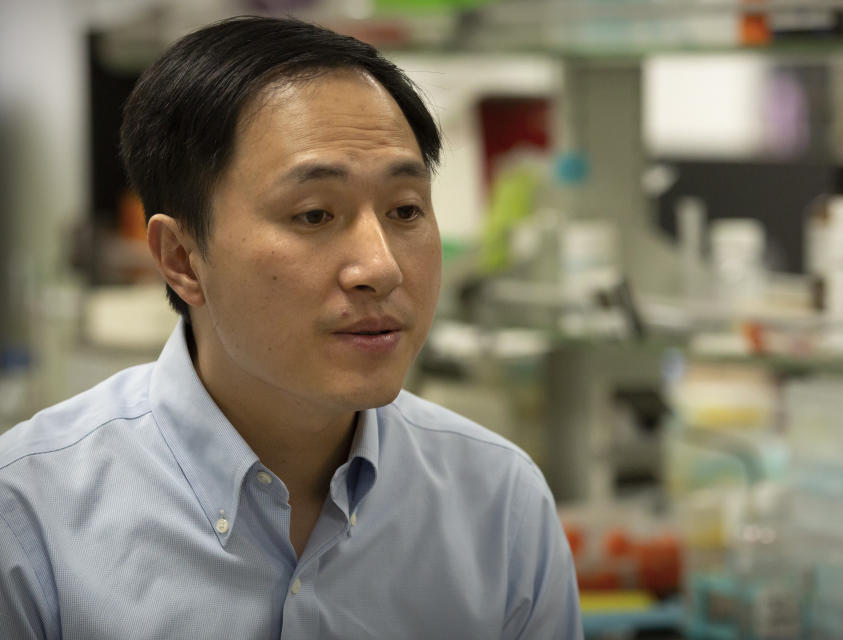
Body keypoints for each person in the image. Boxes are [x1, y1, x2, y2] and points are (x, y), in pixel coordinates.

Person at [0, 16, 582, 639]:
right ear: (181, 259)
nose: (381, 267)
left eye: (406, 209)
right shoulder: (30, 514)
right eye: (314, 214)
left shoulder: (498, 501)